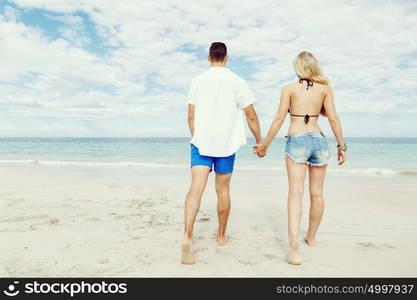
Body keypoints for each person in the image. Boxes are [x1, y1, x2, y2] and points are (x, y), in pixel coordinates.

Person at [254, 51, 347, 265]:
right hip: (319, 140)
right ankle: (311, 238)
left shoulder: (288, 89)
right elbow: (332, 117)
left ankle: (294, 245)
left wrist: (265, 144)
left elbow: (279, 118)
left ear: (298, 67)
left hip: (296, 139)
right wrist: (342, 145)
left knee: (295, 193)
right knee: (317, 194)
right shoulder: (325, 89)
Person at [182, 42, 262, 264]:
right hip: (227, 145)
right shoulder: (238, 81)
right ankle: (221, 236)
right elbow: (251, 115)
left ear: (209, 58)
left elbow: (191, 115)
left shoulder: (197, 81)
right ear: (226, 58)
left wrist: (197, 138)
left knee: (195, 190)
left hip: (201, 143)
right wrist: (259, 140)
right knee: (223, 190)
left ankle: (188, 237)